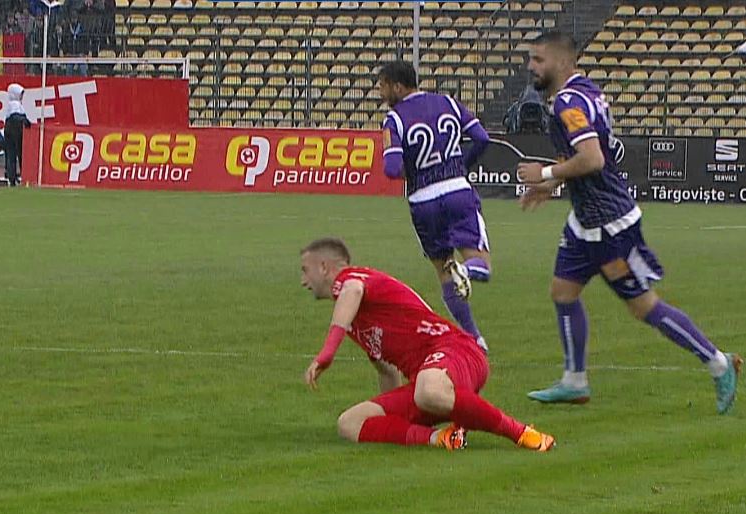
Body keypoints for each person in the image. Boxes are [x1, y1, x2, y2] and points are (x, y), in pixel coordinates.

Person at [516, 32, 742, 412]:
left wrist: (545, 171)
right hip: (585, 221)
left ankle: (719, 363)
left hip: (610, 227)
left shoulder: (568, 103)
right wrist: (553, 183)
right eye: (531, 59)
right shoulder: (585, 91)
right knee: (563, 291)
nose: (531, 67)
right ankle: (574, 380)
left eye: (538, 60)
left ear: (562, 63)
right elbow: (593, 159)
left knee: (644, 307)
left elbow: (592, 160)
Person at [300, 238, 556, 452]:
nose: (303, 280)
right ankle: (442, 438)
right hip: (428, 379)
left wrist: (327, 353)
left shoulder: (352, 280)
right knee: (350, 422)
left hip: (458, 352)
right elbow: (386, 370)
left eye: (305, 270)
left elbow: (352, 290)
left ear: (324, 267)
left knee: (428, 390)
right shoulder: (354, 317)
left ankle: (522, 433)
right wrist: (392, 416)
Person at [379, 61, 492, 352]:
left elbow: (392, 168)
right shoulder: (449, 103)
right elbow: (481, 138)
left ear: (397, 86)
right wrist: (459, 166)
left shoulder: (394, 119)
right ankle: (468, 271)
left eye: (383, 85)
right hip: (456, 190)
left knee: (443, 270)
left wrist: (413, 171)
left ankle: (473, 338)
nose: (381, 92)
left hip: (422, 200)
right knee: (480, 262)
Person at [3, 83, 32, 187]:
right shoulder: (15, 105)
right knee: (16, 155)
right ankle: (16, 177)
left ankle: (12, 177)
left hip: (11, 131)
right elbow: (16, 117)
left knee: (12, 155)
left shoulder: (14, 104)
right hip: (15, 131)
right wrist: (25, 120)